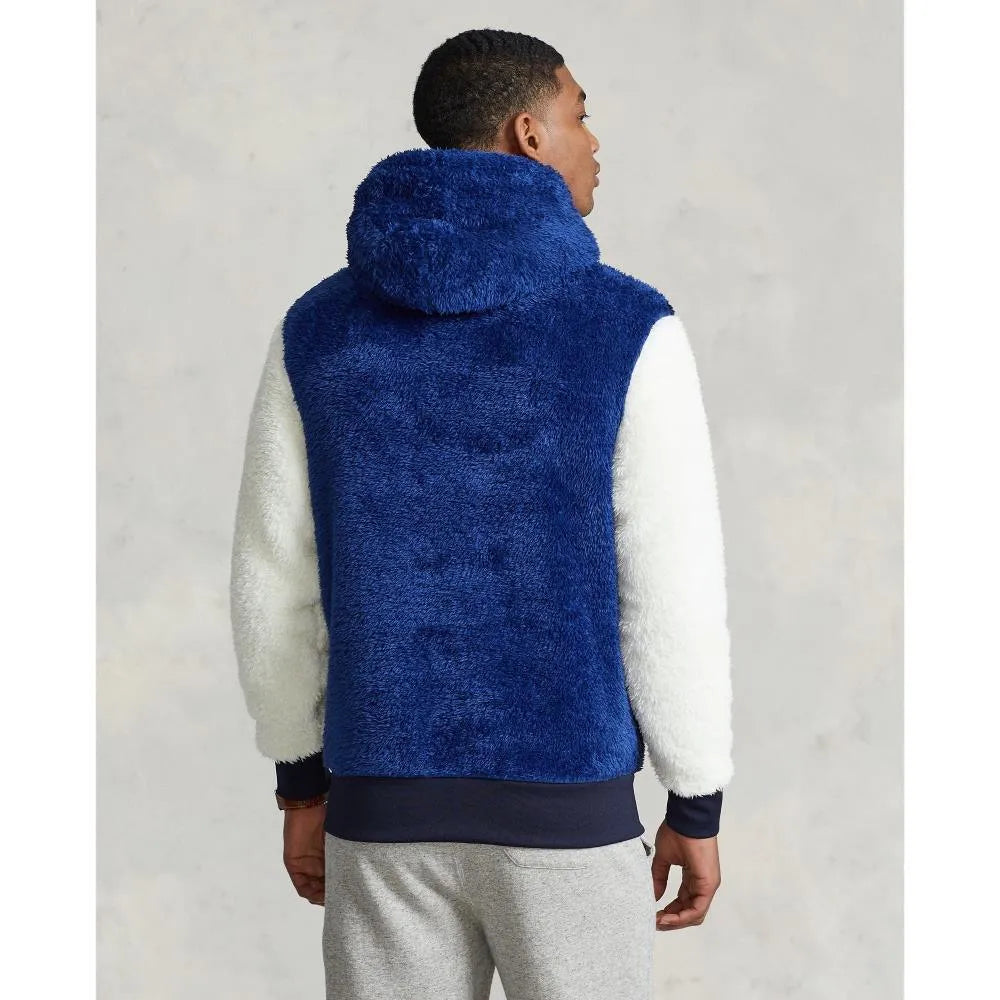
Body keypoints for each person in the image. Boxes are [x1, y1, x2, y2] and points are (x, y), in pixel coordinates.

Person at [229, 27, 734, 1000]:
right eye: (580, 114)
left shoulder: (316, 330)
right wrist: (696, 794)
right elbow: (670, 584)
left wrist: (300, 780)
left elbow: (272, 581)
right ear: (528, 133)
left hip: (381, 810)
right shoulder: (627, 326)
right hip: (569, 814)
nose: (595, 140)